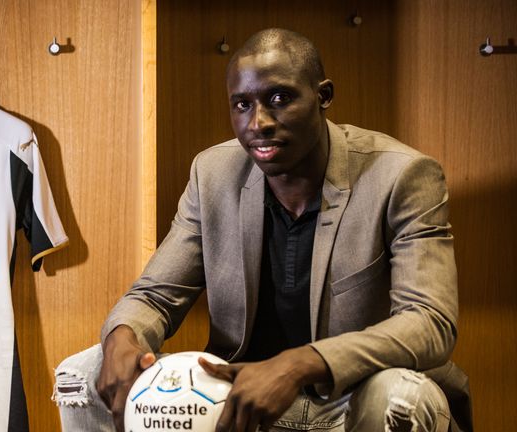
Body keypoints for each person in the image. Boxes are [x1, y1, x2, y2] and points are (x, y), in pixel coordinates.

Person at [53, 28, 471, 432]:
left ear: (323, 96)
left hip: (352, 400)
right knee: (84, 372)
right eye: (242, 105)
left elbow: (429, 322)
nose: (259, 123)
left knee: (399, 394)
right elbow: (155, 295)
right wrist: (123, 338)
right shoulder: (213, 173)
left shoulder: (402, 175)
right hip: (238, 403)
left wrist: (300, 363)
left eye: (279, 99)